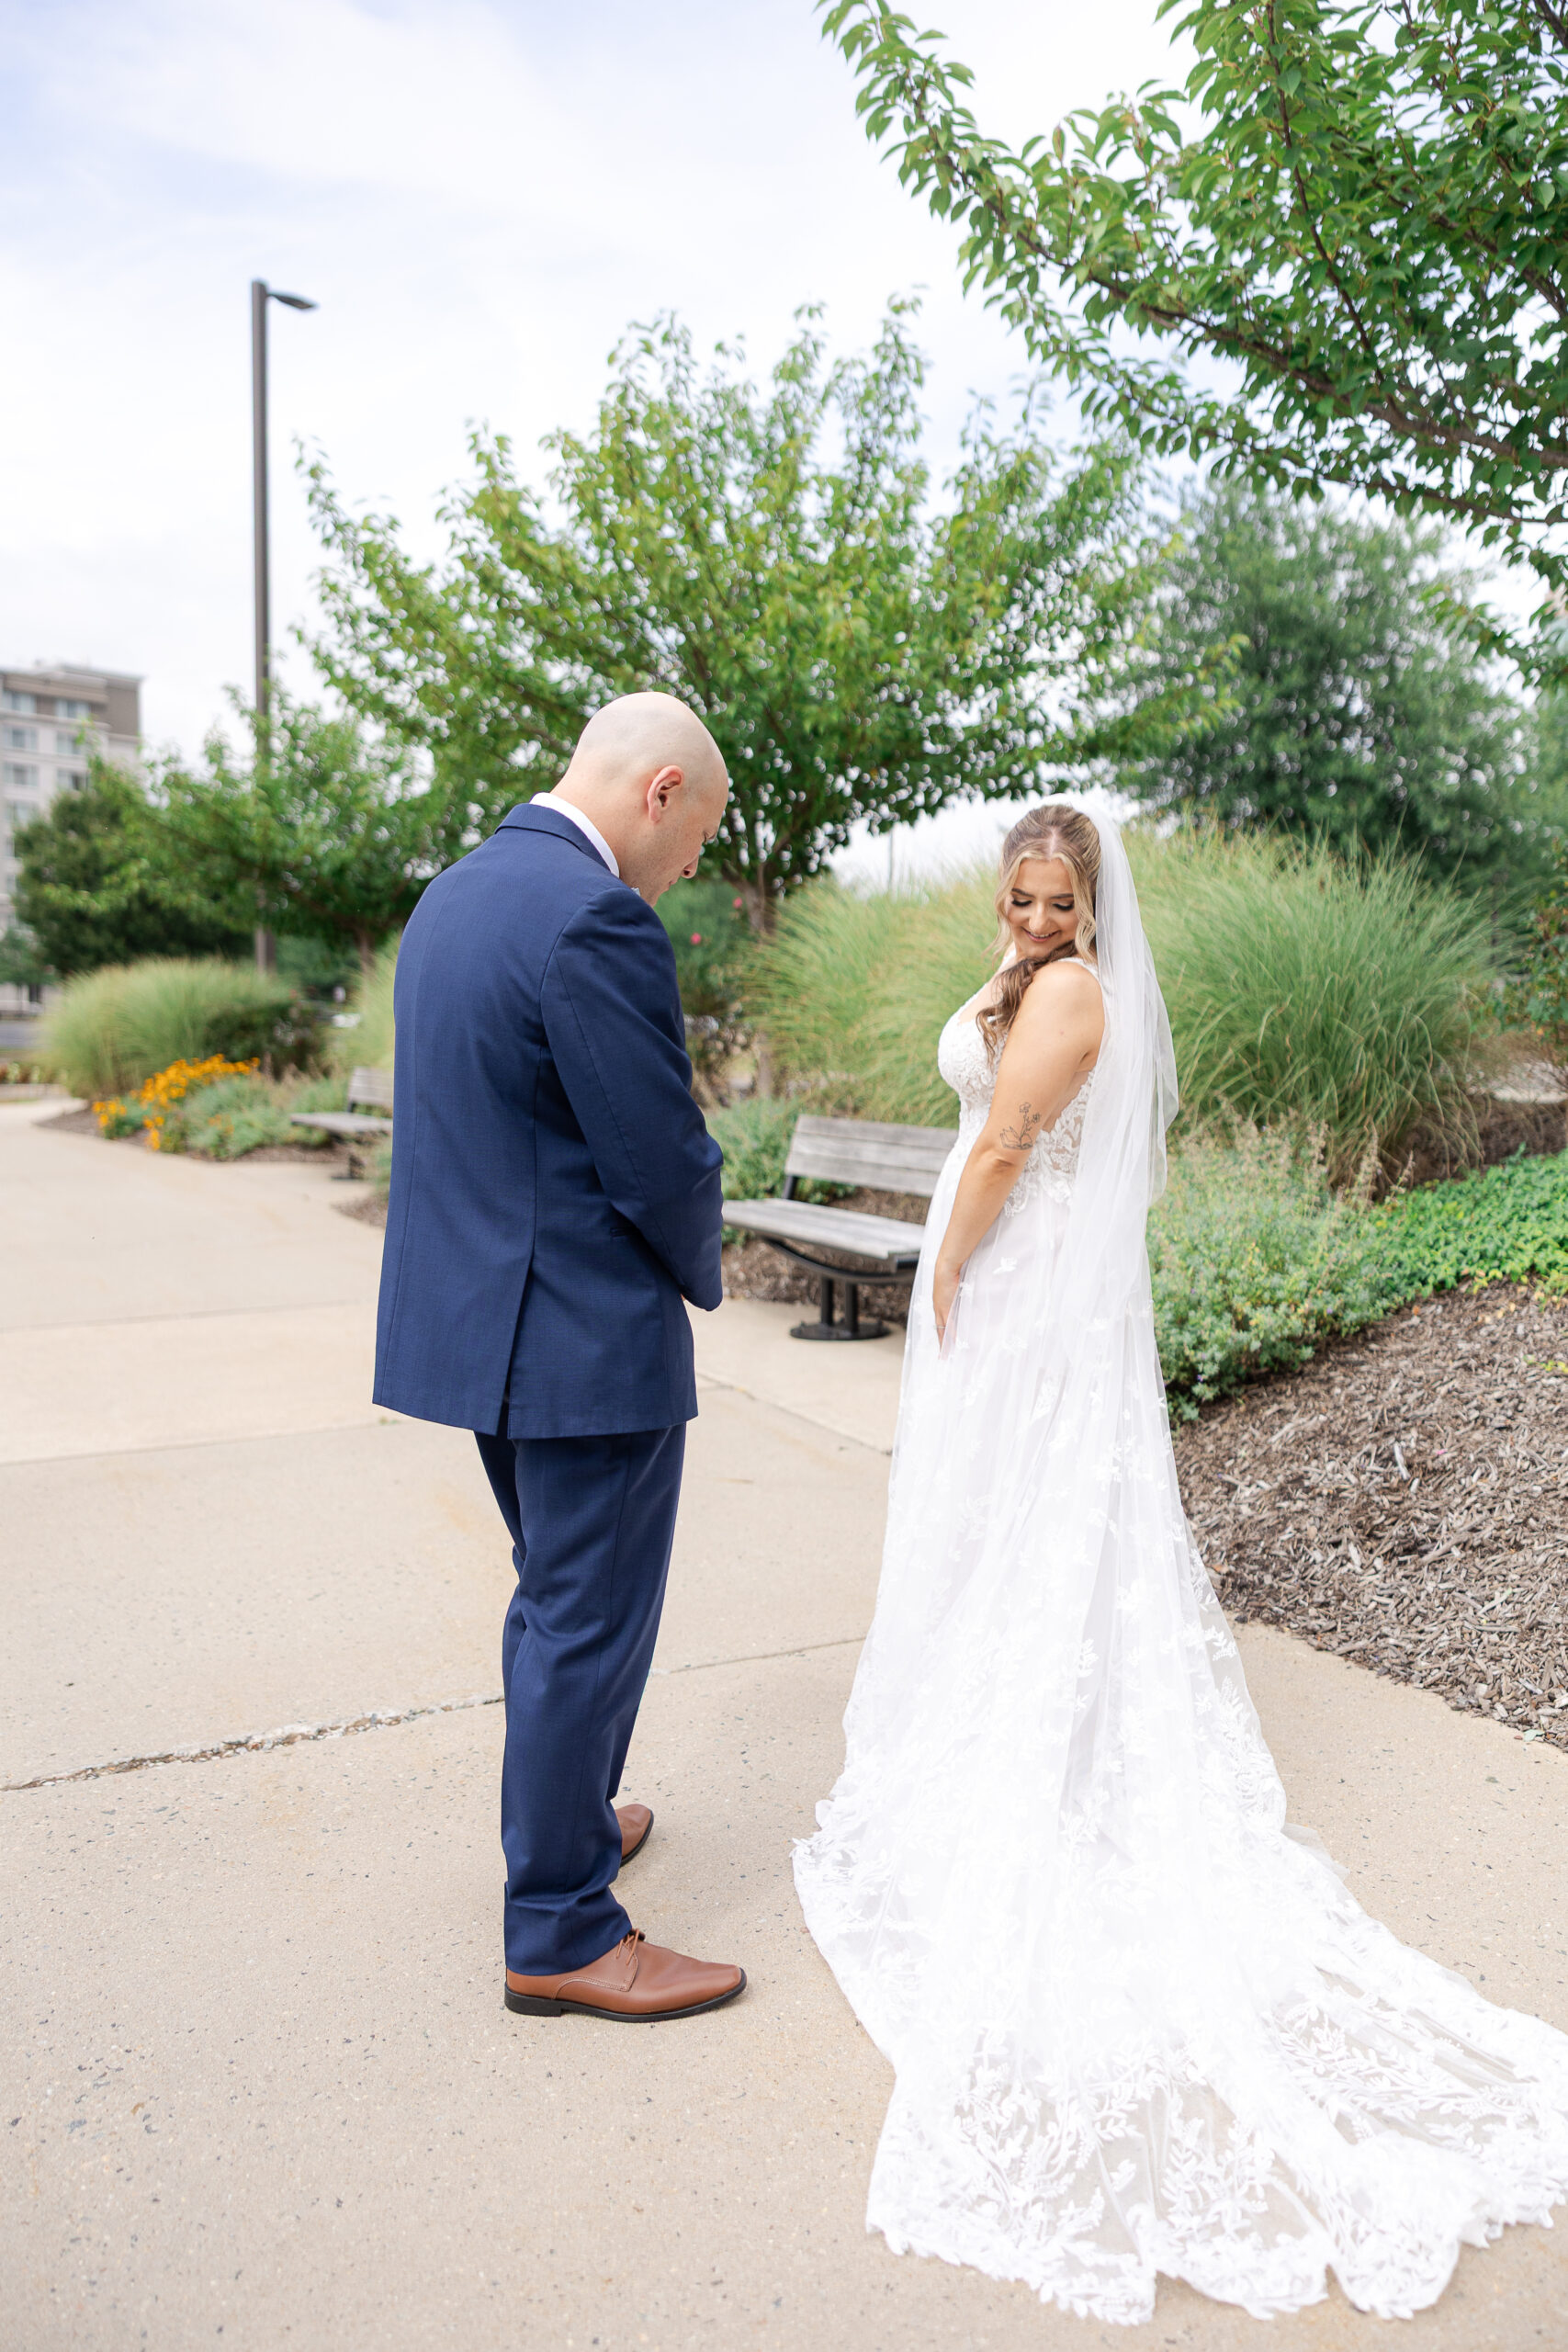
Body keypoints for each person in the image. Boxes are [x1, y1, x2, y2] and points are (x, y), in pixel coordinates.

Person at [795, 802, 1568, 2323]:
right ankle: (1001, 1724)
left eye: (1053, 900)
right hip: (1011, 1283)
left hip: (1019, 1287)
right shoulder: (1031, 973)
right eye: (1015, 897)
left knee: (1030, 1526)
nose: (1027, 922)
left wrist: (947, 1260)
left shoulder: (1075, 991)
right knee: (988, 1527)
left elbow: (1012, 1140)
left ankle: (1045, 1755)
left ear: (1092, 906)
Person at [376, 692, 746, 2024]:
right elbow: (657, 1154)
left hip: (486, 1326)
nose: (691, 864)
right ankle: (563, 1927)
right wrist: (703, 1254)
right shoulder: (595, 916)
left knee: (559, 1604)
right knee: (584, 1622)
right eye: (696, 833)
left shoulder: (456, 896)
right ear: (657, 792)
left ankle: (572, 1821)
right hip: (584, 1337)